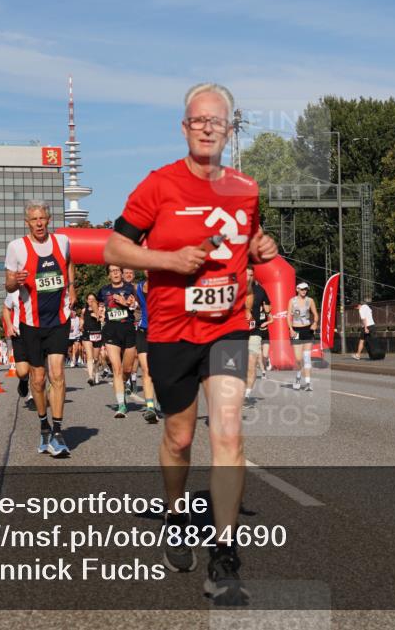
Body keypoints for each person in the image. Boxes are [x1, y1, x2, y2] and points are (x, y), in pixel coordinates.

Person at [104, 82, 278, 605]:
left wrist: (263, 247)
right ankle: (176, 511)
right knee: (179, 439)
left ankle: (224, 552)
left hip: (227, 325)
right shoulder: (158, 186)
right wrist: (168, 260)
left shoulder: (246, 188)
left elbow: (251, 244)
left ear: (229, 128)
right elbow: (115, 246)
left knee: (228, 432)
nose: (207, 128)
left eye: (216, 121)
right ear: (185, 128)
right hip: (171, 329)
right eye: (198, 120)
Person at [4, 200, 76, 458]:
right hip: (30, 322)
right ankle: (44, 424)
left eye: (42, 218)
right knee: (37, 378)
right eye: (34, 219)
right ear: (27, 222)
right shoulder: (16, 247)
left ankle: (58, 431)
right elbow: (9, 287)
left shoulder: (63, 242)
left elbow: (69, 263)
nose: (39, 223)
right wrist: (16, 281)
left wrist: (72, 288)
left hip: (59, 319)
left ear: (48, 219)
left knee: (57, 374)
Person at [98, 265, 138, 418]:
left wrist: (127, 303)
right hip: (111, 330)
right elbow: (97, 302)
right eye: (112, 271)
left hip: (127, 329)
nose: (115, 273)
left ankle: (124, 384)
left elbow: (136, 305)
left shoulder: (130, 288)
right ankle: (121, 405)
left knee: (127, 370)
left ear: (121, 274)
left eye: (117, 271)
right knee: (117, 369)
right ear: (109, 275)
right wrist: (99, 312)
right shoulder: (103, 290)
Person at [3, 289, 33, 408]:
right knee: (22, 371)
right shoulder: (14, 292)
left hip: (36, 334)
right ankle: (23, 380)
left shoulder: (37, 290)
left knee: (36, 368)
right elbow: (5, 309)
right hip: (19, 334)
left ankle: (32, 396)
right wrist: (9, 325)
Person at [134, 275, 159, 423]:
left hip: (162, 332)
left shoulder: (165, 285)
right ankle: (150, 407)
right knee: (146, 369)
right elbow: (136, 305)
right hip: (143, 331)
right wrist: (131, 303)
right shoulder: (138, 287)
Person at [244, 265, 271, 404]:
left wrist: (267, 312)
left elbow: (268, 306)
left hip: (254, 332)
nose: (247, 277)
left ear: (254, 276)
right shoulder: (235, 289)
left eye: (250, 275)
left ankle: (247, 396)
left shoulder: (260, 290)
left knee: (251, 364)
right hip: (236, 333)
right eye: (245, 274)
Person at [287, 282, 318, 391]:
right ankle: (298, 376)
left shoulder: (310, 301)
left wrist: (315, 323)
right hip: (296, 330)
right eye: (302, 289)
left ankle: (308, 383)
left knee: (307, 358)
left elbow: (315, 314)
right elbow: (288, 316)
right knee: (299, 359)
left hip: (307, 330)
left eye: (306, 289)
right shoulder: (292, 301)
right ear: (297, 290)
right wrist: (290, 329)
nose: (304, 291)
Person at [82, 293, 105, 386]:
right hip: (87, 334)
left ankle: (96, 373)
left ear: (96, 301)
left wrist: (97, 316)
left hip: (97, 334)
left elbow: (103, 319)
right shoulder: (84, 310)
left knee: (96, 358)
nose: (91, 301)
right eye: (89, 299)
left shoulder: (100, 309)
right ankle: (90, 377)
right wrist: (81, 324)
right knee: (89, 356)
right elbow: (82, 319)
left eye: (93, 299)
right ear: (87, 301)